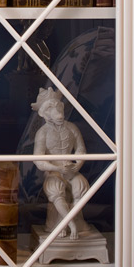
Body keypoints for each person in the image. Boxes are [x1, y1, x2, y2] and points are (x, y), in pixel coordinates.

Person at [31, 87, 89, 239]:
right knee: (55, 189)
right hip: (54, 172)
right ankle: (69, 224)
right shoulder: (42, 133)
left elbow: (80, 149)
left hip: (71, 170)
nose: (57, 111)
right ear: (43, 113)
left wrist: (77, 164)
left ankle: (68, 222)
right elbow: (38, 159)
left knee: (81, 186)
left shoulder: (72, 128)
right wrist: (56, 168)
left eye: (58, 106)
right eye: (50, 107)